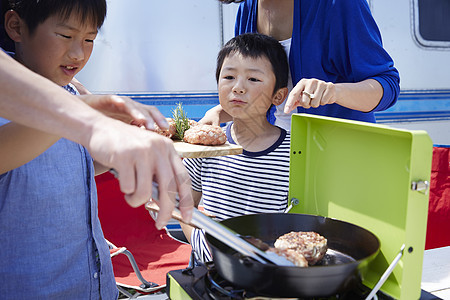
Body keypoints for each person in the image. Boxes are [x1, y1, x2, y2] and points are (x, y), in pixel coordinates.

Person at [0, 0, 192, 298]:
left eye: (89, 39)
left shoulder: (70, 90)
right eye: (66, 36)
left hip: (93, 283)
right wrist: (81, 113)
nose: (78, 53)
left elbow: (76, 160)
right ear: (16, 26)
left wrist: (127, 155)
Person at [202, 0, 400, 131]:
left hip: (339, 159)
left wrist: (334, 92)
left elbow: (387, 85)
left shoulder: (338, 4)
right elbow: (262, 96)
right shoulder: (247, 10)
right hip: (277, 162)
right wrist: (220, 112)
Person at [180, 33, 290, 262]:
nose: (238, 88)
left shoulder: (293, 153)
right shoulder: (206, 145)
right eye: (229, 76)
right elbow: (185, 201)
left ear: (278, 95)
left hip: (265, 273)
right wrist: (197, 241)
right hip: (206, 268)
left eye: (253, 79)